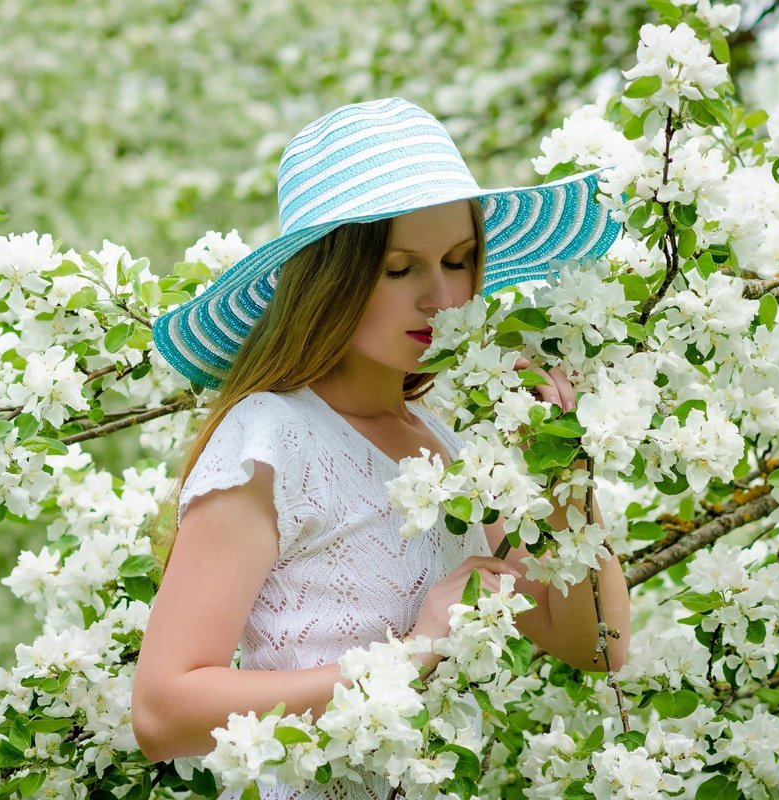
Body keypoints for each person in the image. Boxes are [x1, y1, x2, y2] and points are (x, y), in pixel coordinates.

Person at [131, 97, 631, 794]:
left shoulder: (448, 444)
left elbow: (593, 643)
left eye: (459, 261)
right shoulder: (272, 440)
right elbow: (163, 711)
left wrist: (561, 467)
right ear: (330, 279)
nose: (441, 297)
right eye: (400, 270)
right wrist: (410, 655)